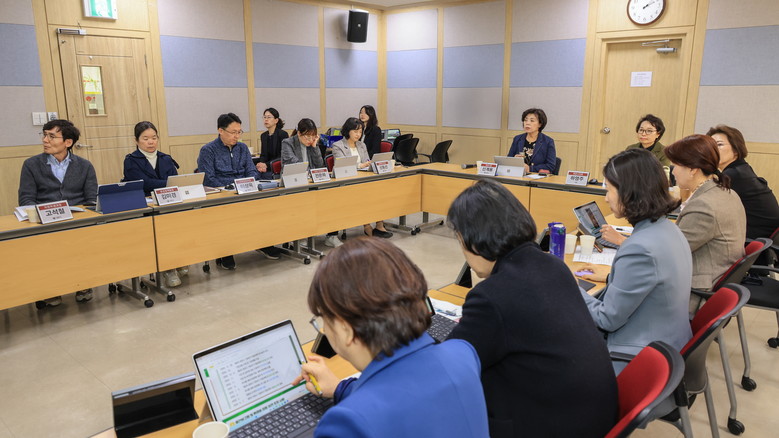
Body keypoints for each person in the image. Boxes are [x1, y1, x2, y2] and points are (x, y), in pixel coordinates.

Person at [445, 179, 617, 437]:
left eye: (460, 240)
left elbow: (449, 365)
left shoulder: (492, 296)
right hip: (595, 415)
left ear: (475, 240)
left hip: (553, 426)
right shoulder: (554, 265)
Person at [293, 237, 489, 438]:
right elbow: (407, 396)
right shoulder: (462, 354)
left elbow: (384, 406)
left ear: (347, 330)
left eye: (323, 321)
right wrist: (339, 388)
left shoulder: (347, 424)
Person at [579, 148, 692, 372]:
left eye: (609, 190)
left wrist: (571, 288)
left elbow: (606, 319)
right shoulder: (668, 228)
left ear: (629, 192)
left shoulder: (639, 247)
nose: (606, 198)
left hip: (638, 357)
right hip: (668, 341)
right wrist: (611, 277)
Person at [18, 119, 98, 306]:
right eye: (44, 135)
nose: (45, 140)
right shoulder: (31, 165)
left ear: (68, 142)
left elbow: (92, 199)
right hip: (45, 222)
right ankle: (51, 288)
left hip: (77, 221)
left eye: (52, 136)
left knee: (83, 240)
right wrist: (38, 217)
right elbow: (26, 199)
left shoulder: (85, 166)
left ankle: (83, 284)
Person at [197, 113, 281, 269]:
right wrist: (232, 187)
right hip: (223, 194)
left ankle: (263, 242)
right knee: (228, 213)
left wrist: (246, 183)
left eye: (239, 132)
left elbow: (252, 171)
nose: (237, 136)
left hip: (245, 190)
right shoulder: (208, 150)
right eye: (233, 132)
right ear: (220, 131)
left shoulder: (242, 148)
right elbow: (208, 179)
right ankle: (225, 251)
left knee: (267, 205)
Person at [665, 134, 747, 292]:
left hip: (695, 289)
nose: (673, 172)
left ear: (693, 170)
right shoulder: (725, 192)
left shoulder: (704, 206)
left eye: (676, 166)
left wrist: (624, 242)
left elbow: (670, 253)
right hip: (715, 273)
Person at [122, 121, 187, 287]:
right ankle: (168, 268)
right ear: (136, 140)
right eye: (145, 139)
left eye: (154, 138)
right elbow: (143, 183)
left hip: (168, 202)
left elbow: (175, 180)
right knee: (161, 229)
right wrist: (166, 183)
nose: (151, 142)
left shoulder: (166, 158)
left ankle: (178, 260)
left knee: (180, 224)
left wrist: (167, 184)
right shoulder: (131, 160)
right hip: (145, 206)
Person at [707, 124, 779, 240]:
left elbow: (708, 206)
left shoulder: (734, 174)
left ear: (736, 149)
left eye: (719, 145)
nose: (713, 150)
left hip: (755, 238)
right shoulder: (741, 169)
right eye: (710, 146)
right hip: (762, 236)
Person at [281, 118, 343, 247]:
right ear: (299, 133)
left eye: (313, 136)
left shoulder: (312, 144)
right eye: (307, 136)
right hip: (293, 183)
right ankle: (301, 235)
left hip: (310, 183)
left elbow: (320, 165)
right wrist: (310, 172)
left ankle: (332, 235)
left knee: (332, 197)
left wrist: (315, 147)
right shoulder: (287, 143)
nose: (310, 139)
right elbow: (294, 163)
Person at [331, 117, 393, 239]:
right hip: (347, 182)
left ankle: (379, 225)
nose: (358, 135)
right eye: (355, 131)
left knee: (379, 192)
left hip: (363, 179)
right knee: (366, 194)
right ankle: (367, 226)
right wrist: (360, 165)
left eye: (360, 132)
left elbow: (367, 161)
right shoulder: (338, 146)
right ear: (348, 131)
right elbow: (342, 165)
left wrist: (370, 164)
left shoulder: (361, 145)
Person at [506, 108, 557, 173]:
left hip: (537, 176)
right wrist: (514, 160)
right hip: (518, 174)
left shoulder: (548, 141)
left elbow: (551, 165)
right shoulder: (517, 139)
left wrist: (530, 168)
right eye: (525, 120)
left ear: (540, 124)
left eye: (532, 121)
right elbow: (508, 160)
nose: (527, 123)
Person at [257, 107, 288, 174]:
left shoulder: (282, 134)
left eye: (269, 117)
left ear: (276, 120)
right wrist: (261, 164)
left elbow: (282, 156)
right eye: (264, 117)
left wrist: (266, 165)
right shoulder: (263, 136)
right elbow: (263, 155)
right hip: (265, 168)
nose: (266, 119)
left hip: (278, 168)